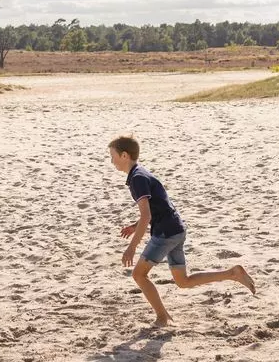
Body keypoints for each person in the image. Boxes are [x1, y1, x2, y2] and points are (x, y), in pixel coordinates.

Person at [109, 135, 255, 327]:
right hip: (176, 229)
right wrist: (135, 227)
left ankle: (162, 317)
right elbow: (154, 210)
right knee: (183, 281)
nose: (111, 161)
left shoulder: (137, 179)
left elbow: (146, 216)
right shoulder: (140, 174)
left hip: (165, 234)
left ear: (125, 155)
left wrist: (132, 247)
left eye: (112, 156)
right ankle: (232, 273)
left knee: (139, 275)